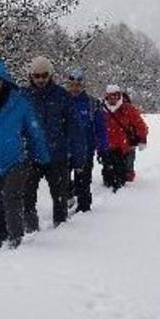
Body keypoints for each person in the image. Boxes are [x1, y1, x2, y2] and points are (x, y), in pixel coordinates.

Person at [0, 56, 51, 247]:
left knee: (12, 199)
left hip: (17, 161)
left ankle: (16, 240)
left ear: (4, 80)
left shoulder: (20, 103)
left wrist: (43, 158)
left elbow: (34, 131)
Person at [20, 56, 84, 229]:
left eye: (44, 75)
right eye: (36, 75)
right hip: (31, 156)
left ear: (50, 75)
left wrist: (78, 158)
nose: (41, 79)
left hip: (57, 156)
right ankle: (31, 229)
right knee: (27, 196)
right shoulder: (22, 97)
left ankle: (60, 229)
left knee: (60, 196)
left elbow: (75, 129)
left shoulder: (62, 96)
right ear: (30, 76)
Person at [63, 67, 107, 212]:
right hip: (64, 150)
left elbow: (100, 128)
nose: (74, 89)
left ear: (83, 86)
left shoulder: (91, 104)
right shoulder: (61, 101)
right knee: (62, 181)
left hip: (85, 151)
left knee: (83, 183)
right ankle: (67, 200)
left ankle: (84, 212)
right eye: (72, 85)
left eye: (78, 85)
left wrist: (102, 149)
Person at [100, 84, 149, 191]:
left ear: (119, 96)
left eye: (115, 96)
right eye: (110, 96)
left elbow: (140, 125)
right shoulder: (101, 110)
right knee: (108, 178)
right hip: (107, 147)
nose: (113, 98)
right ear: (106, 96)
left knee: (122, 178)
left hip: (123, 148)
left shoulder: (127, 109)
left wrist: (142, 139)